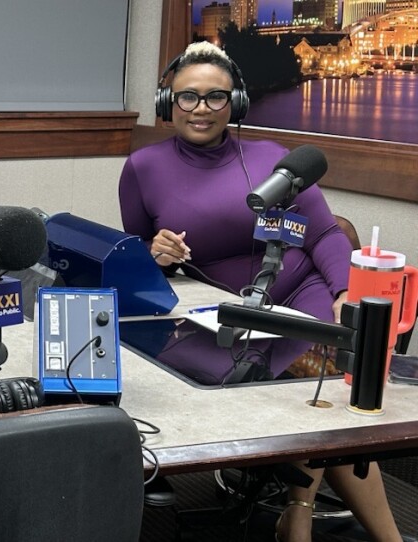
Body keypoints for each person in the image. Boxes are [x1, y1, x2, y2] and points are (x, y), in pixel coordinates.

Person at [119, 41, 404, 541]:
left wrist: (344, 293)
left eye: (216, 96)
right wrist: (154, 252)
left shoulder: (273, 159)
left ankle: (308, 517)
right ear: (168, 103)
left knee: (320, 381)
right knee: (299, 392)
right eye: (187, 96)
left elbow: (324, 234)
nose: (201, 108)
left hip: (301, 290)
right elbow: (136, 253)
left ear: (236, 103)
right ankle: (300, 514)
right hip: (226, 309)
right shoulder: (143, 168)